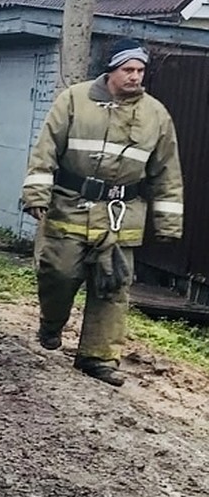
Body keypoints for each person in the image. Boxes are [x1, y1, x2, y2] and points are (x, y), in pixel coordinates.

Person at [21, 39, 183, 386]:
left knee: (113, 287)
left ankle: (98, 357)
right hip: (70, 207)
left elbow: (167, 171)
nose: (135, 77)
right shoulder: (74, 100)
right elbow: (45, 149)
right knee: (58, 273)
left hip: (120, 216)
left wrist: (168, 222)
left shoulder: (157, 114)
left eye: (140, 71)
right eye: (128, 70)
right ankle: (51, 323)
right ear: (112, 70)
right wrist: (37, 192)